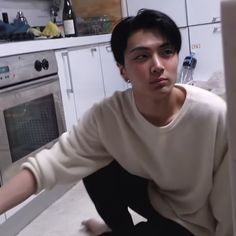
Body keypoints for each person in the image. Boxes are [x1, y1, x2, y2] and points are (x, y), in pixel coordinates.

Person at [0, 9, 233, 236]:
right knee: (92, 163)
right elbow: (50, 165)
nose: (158, 65)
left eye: (167, 52)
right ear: (123, 71)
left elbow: (229, 210)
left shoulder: (214, 115)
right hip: (159, 201)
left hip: (199, 223)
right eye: (142, 56)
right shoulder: (109, 115)